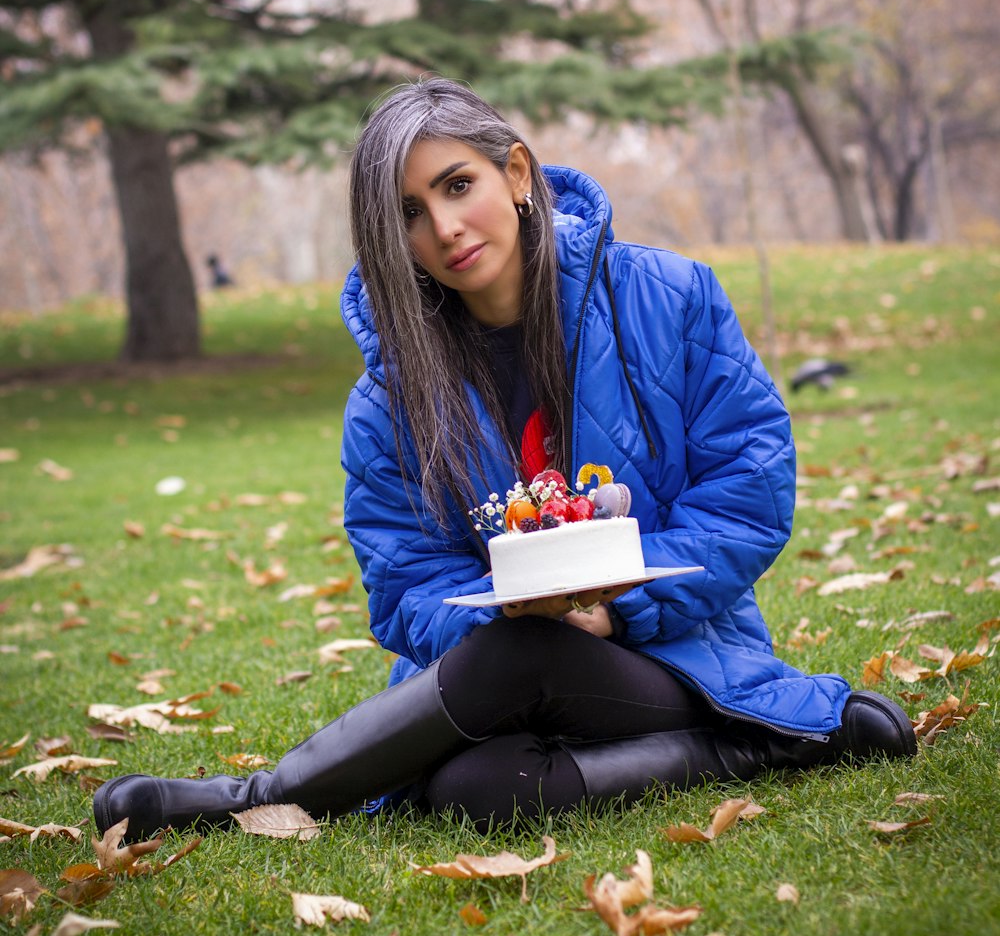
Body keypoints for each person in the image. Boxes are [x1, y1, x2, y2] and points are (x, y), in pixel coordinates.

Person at [94, 79, 915, 842]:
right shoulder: (389, 398)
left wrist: (613, 606)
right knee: (479, 788)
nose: (444, 227)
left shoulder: (671, 296)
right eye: (410, 213)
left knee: (517, 663)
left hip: (680, 651)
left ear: (516, 173)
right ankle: (757, 748)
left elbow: (749, 492)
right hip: (506, 673)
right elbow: (403, 585)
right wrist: (508, 610)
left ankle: (254, 798)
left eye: (458, 186)